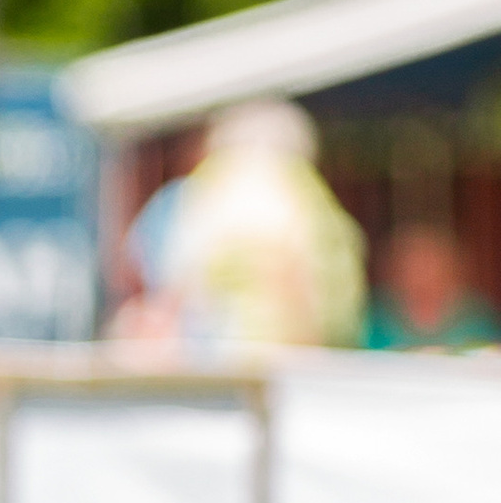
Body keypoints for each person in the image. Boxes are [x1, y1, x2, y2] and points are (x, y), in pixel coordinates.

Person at [143, 96, 365, 358]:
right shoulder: (307, 199)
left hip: (238, 362)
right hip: (280, 362)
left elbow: (174, 287)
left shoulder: (221, 194)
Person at [363, 217, 499, 351]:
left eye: (431, 265)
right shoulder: (374, 316)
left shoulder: (476, 316)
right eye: (413, 266)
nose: (422, 275)